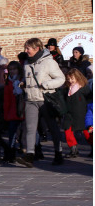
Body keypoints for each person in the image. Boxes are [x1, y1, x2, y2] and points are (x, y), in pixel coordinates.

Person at [17, 38, 66, 167]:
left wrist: (46, 84)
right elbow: (28, 78)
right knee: (30, 128)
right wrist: (23, 83)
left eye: (28, 48)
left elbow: (61, 79)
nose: (26, 51)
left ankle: (58, 152)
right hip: (30, 99)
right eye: (26, 48)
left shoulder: (49, 62)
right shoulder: (27, 63)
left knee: (52, 127)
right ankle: (30, 156)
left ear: (36, 48)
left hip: (45, 99)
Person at [63, 69, 91, 158]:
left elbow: (90, 99)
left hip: (81, 113)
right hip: (69, 113)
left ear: (77, 77)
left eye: (72, 78)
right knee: (67, 130)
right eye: (68, 79)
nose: (70, 81)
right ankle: (73, 149)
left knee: (87, 132)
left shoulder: (84, 88)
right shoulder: (67, 88)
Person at [3, 62, 25, 164]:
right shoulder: (8, 83)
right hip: (12, 112)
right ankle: (11, 154)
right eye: (10, 69)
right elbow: (6, 99)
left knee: (25, 133)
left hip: (23, 110)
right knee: (12, 134)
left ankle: (32, 150)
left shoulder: (22, 81)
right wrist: (6, 113)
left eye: (14, 69)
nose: (12, 71)